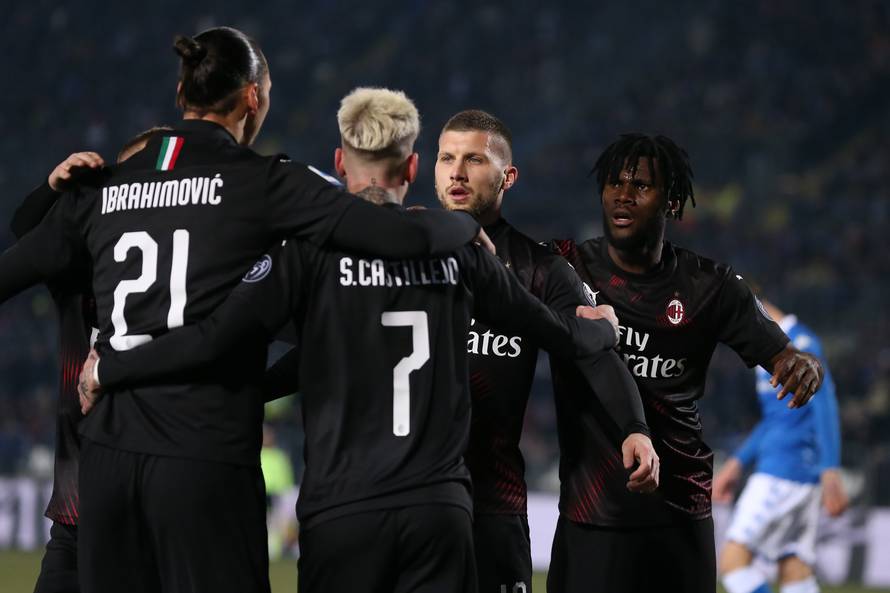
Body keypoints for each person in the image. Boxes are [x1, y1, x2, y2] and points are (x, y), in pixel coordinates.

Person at [76, 87, 625, 593]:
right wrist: (600, 327)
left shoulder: (306, 254)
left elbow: (215, 338)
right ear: (413, 165)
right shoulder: (459, 250)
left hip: (342, 511)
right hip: (437, 509)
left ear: (340, 163)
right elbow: (554, 331)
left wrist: (113, 369)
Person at [1, 29, 486, 593]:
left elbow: (18, 261)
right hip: (201, 452)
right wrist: (464, 222)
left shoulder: (103, 186)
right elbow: (393, 235)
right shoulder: (266, 182)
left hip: (107, 460)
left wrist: (52, 189)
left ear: (183, 89)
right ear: (253, 97)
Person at [548, 133, 825, 593]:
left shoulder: (709, 286)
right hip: (592, 512)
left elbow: (787, 354)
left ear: (672, 202)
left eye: (640, 185)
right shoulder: (566, 266)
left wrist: (804, 365)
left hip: (679, 514)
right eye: (614, 183)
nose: (623, 194)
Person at [433, 109, 658, 593]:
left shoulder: (540, 268)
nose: (456, 171)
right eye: (446, 157)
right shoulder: (402, 250)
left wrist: (634, 428)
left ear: (507, 176)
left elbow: (593, 352)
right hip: (411, 499)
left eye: (473, 159)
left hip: (493, 502)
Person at [8, 127, 170, 593]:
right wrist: (51, 188)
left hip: (138, 504)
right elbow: (32, 240)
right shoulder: (78, 269)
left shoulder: (185, 268)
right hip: (81, 511)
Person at [713, 299, 847, 593]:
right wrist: (738, 462)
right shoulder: (770, 349)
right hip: (795, 473)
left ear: (755, 304)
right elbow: (775, 418)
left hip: (784, 470)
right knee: (794, 571)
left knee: (733, 564)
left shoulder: (800, 341)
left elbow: (825, 405)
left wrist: (830, 468)